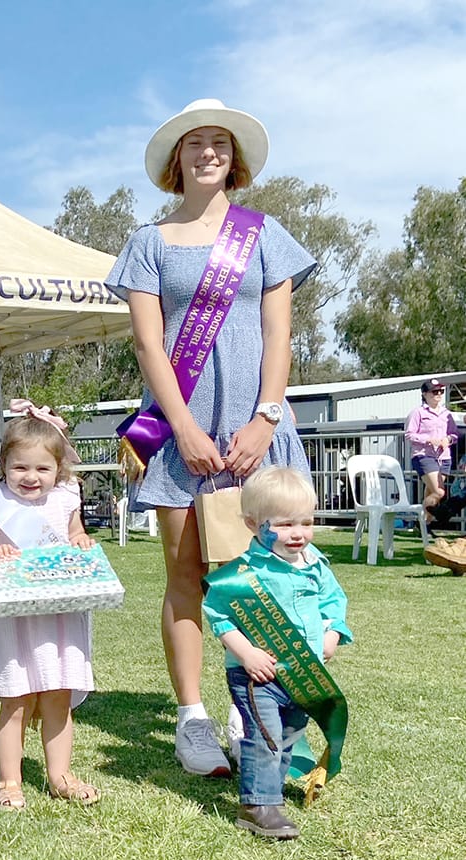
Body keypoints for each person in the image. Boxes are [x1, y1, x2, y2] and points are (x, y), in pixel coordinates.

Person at [105, 99, 317, 778]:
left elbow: (280, 333)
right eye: (194, 142)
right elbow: (147, 342)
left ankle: (246, 702)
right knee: (186, 576)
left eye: (218, 142)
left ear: (235, 158)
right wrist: (186, 428)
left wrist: (265, 416)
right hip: (178, 431)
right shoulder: (147, 242)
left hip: (255, 430)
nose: (206, 152)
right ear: (176, 159)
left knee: (257, 575)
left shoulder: (263, 234)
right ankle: (192, 718)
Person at [203, 467, 352, 839]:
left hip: (301, 672)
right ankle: (257, 805)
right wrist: (247, 653)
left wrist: (333, 632)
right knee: (265, 735)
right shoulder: (243, 573)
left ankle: (272, 785)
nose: (298, 533)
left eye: (306, 522)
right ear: (253, 524)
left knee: (288, 734)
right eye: (284, 524)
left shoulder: (315, 564)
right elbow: (218, 615)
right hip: (256, 674)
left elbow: (334, 601)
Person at [0, 409, 98, 810]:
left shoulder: (66, 498)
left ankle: (60, 776)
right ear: (3, 465)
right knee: (16, 698)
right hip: (14, 619)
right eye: (19, 466)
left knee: (58, 694)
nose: (31, 476)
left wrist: (81, 541)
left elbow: (74, 532)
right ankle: (10, 781)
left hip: (60, 615)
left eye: (42, 467)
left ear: (58, 468)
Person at [405, 378, 457, 523]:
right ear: (425, 394)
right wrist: (428, 439)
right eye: (435, 392)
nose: (439, 394)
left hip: (444, 457)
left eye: (441, 391)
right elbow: (409, 435)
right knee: (439, 491)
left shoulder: (446, 414)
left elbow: (454, 434)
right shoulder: (417, 413)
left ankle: (424, 524)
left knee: (431, 491)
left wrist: (448, 440)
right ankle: (419, 518)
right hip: (424, 455)